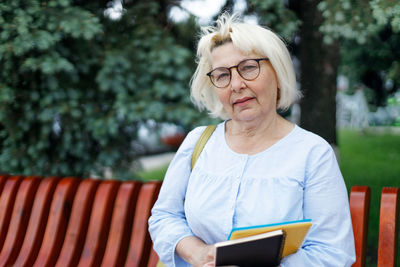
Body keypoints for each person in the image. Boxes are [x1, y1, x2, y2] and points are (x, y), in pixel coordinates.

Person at [148, 12, 355, 267]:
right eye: (222, 75)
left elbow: (332, 254)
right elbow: (165, 216)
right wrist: (198, 253)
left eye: (248, 68)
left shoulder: (313, 153)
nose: (236, 84)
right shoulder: (197, 142)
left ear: (277, 73)